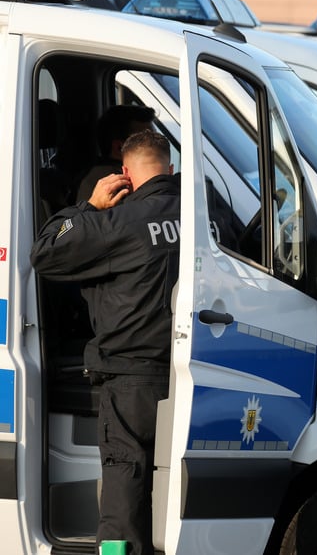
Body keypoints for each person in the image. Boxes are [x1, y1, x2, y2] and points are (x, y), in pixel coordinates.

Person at [31, 130, 180, 555]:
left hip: (129, 383)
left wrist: (89, 206)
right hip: (190, 371)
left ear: (125, 176)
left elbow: (45, 252)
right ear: (169, 169)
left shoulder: (118, 223)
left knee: (124, 497)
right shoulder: (204, 218)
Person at [74, 104, 156, 204]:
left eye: (155, 138)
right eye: (147, 141)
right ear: (119, 148)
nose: (156, 145)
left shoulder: (96, 174)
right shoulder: (115, 185)